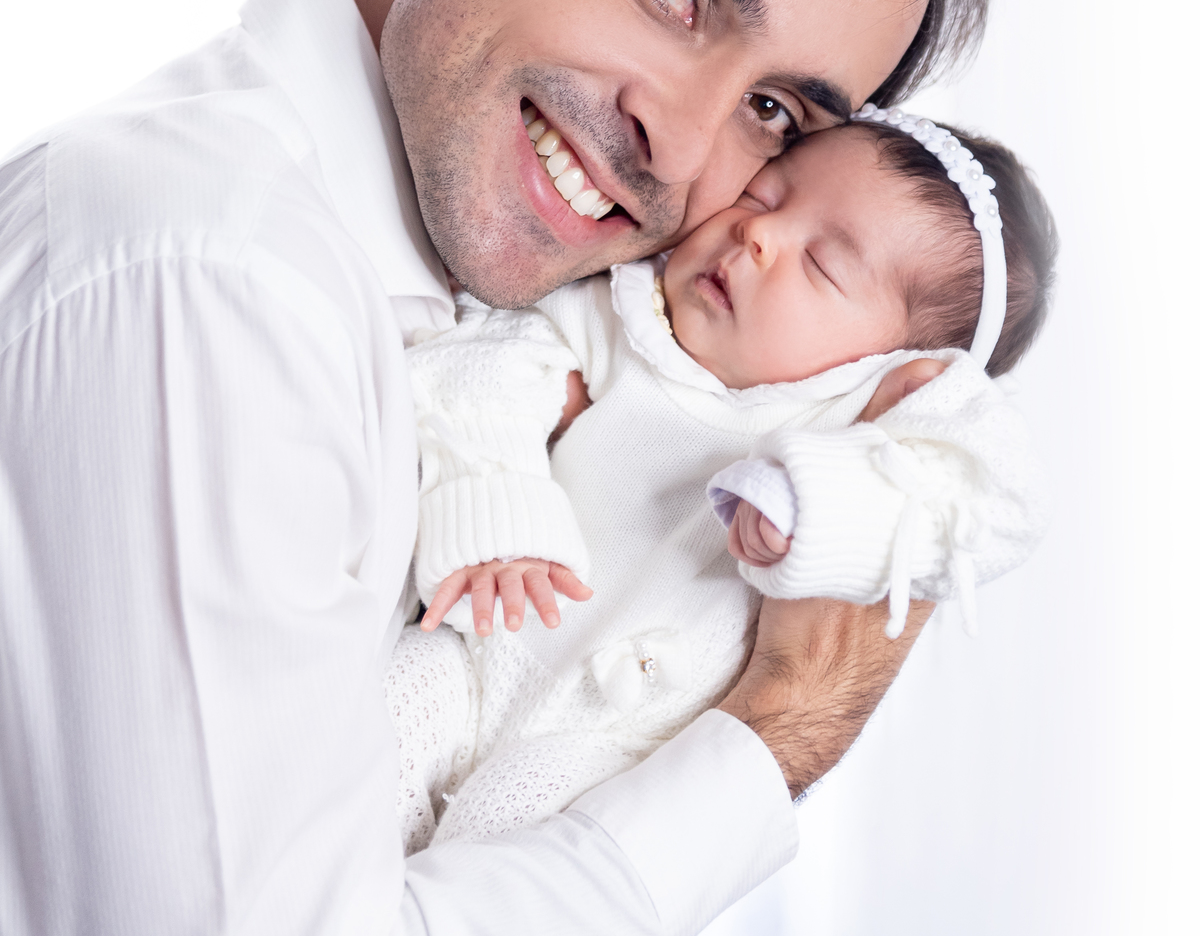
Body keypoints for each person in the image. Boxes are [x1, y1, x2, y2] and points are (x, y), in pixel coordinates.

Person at [0, 0, 992, 936]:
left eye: (774, 113)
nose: (681, 147)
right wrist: (767, 740)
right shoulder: (213, 274)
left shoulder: (508, 344)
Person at [390, 110, 1056, 859]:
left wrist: (831, 509)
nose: (758, 234)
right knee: (388, 713)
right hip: (477, 649)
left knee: (509, 834)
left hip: (616, 747)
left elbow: (998, 502)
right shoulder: (626, 311)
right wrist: (500, 506)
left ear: (900, 362)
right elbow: (483, 362)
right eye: (761, 196)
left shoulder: (852, 414)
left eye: (822, 264)